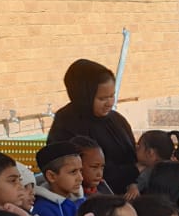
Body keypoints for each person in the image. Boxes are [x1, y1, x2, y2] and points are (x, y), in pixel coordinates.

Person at [47, 59, 137, 196]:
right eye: (102, 99)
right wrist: (134, 170)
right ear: (83, 96)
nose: (109, 103)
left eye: (112, 96)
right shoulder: (67, 124)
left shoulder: (116, 121)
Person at [32, 142, 86, 216]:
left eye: (80, 171)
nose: (81, 178)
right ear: (51, 176)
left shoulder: (82, 200)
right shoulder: (44, 211)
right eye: (73, 172)